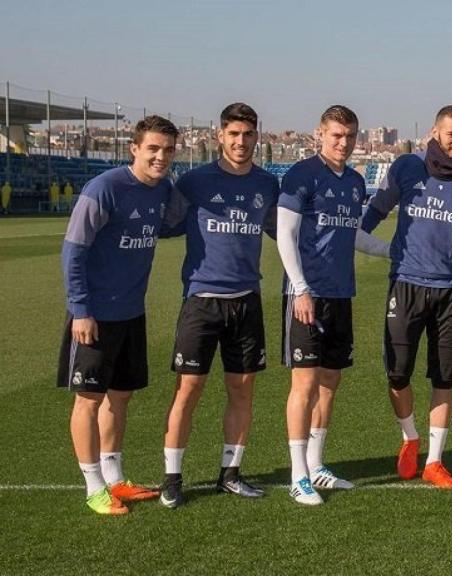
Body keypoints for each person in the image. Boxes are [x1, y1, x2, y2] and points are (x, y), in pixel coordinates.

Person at [359, 105, 452, 489]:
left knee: (444, 377)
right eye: (451, 134)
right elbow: (376, 211)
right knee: (397, 373)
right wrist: (348, 235)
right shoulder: (406, 168)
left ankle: (434, 461)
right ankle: (410, 436)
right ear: (435, 133)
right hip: (406, 283)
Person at [159, 103, 279, 508]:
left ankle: (230, 473)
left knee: (242, 392)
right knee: (187, 391)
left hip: (246, 301)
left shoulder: (267, 185)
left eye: (247, 135)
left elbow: (284, 232)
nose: (240, 142)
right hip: (201, 302)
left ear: (256, 137)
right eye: (233, 134)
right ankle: (172, 477)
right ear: (219, 136)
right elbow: (166, 225)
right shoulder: (193, 182)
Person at [58, 115, 179, 514]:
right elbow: (74, 249)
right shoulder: (105, 188)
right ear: (135, 148)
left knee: (120, 397)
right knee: (88, 400)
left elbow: (169, 226)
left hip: (132, 312)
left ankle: (115, 478)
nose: (161, 157)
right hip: (94, 315)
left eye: (168, 150)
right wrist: (80, 309)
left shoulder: (162, 190)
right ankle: (94, 487)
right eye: (153, 149)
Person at [276, 105, 390, 505]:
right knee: (304, 384)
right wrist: (301, 289)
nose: (344, 143)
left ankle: (316, 464)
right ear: (319, 134)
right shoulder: (301, 175)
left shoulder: (356, 182)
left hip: (341, 294)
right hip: (306, 295)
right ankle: (297, 475)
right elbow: (284, 236)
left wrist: (392, 251)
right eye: (337, 135)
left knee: (330, 382)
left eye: (351, 136)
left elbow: (353, 234)